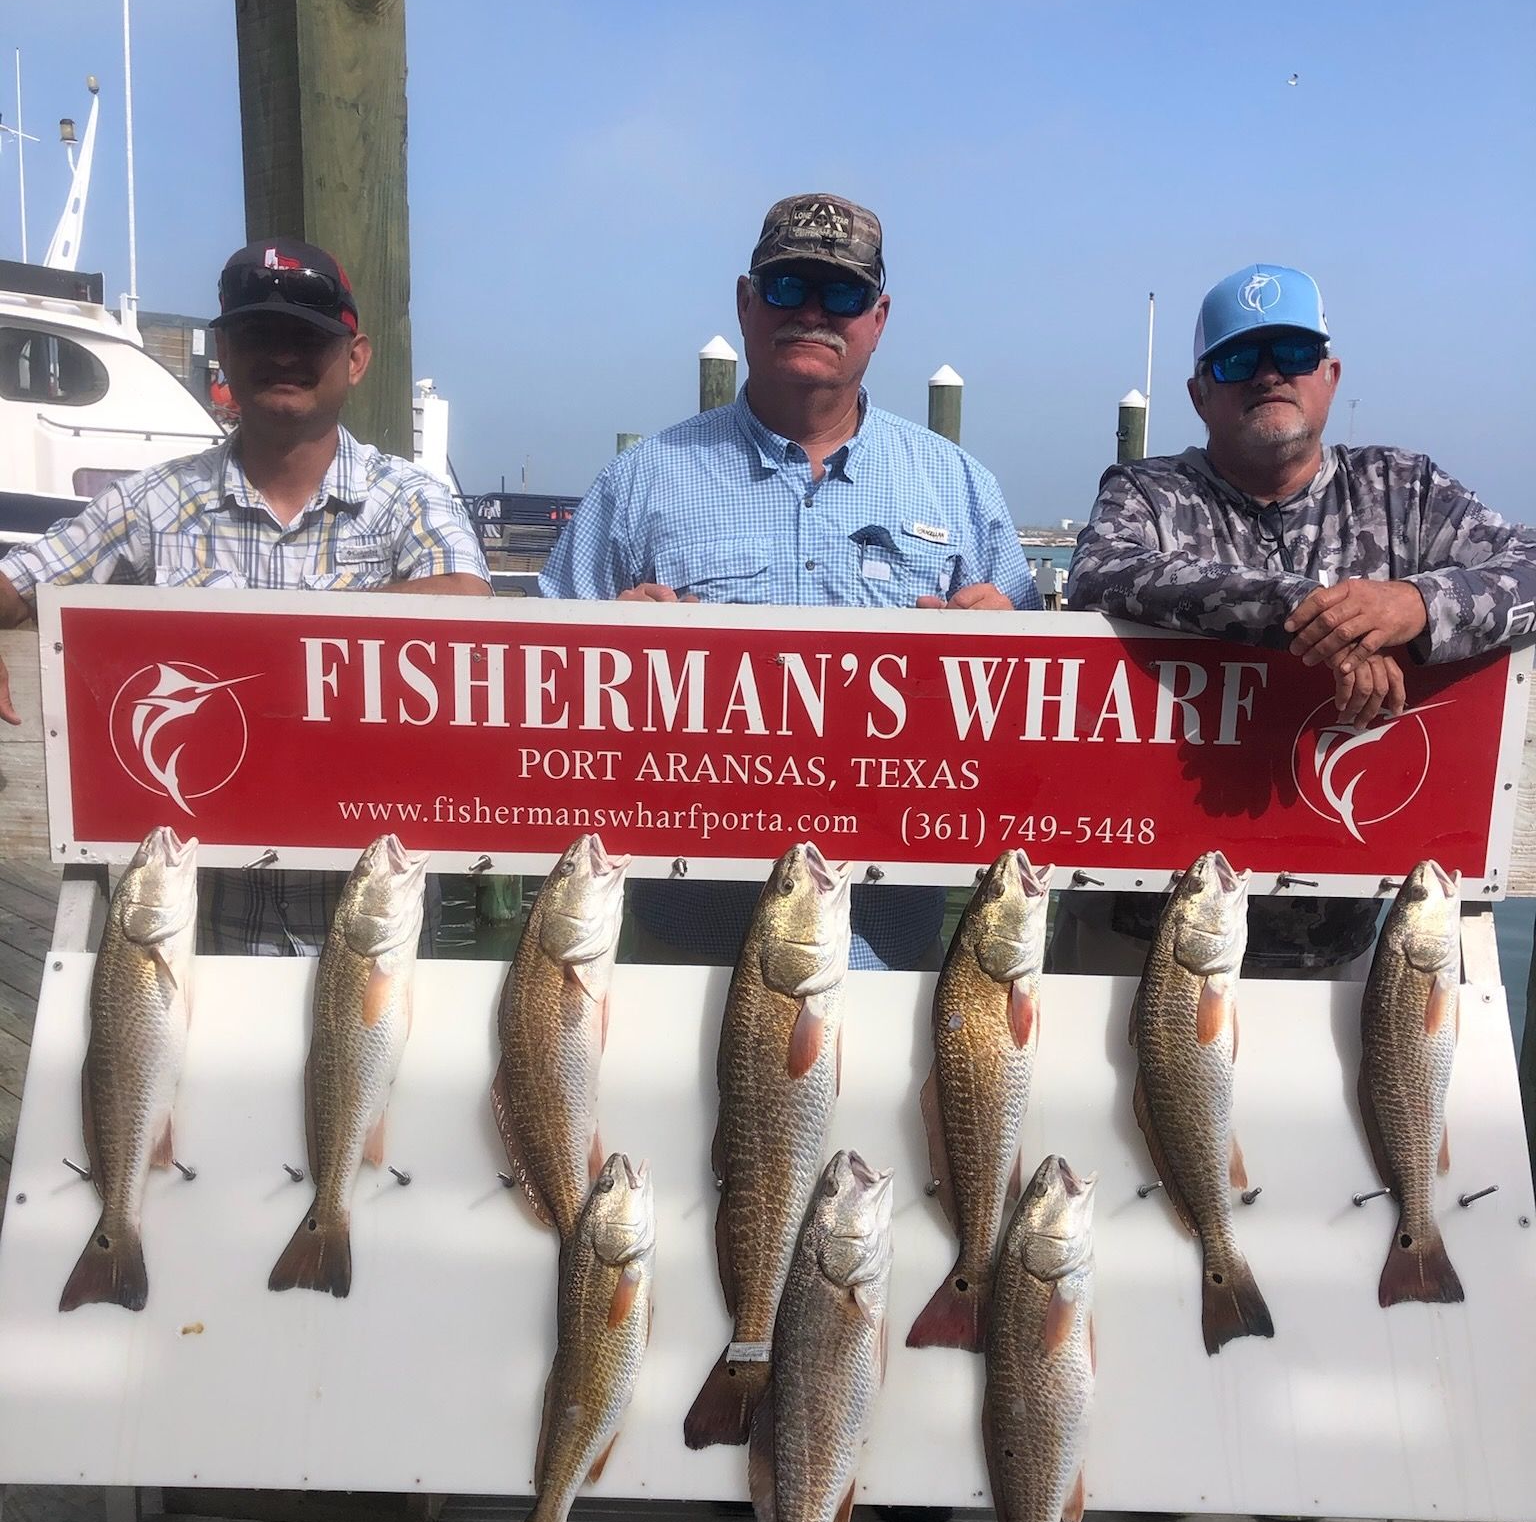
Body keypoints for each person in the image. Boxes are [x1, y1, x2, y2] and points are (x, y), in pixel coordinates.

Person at [540, 191, 1041, 969]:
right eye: (785, 288)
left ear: (878, 318)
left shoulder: (961, 487)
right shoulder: (639, 482)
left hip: (891, 948)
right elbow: (529, 694)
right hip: (689, 946)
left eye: (840, 293)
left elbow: (1043, 719)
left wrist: (1011, 641)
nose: (812, 312)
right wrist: (604, 643)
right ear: (746, 303)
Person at [0, 237, 492, 951]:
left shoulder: (408, 497)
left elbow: (467, 599)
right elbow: (17, 582)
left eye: (309, 338)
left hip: (368, 942)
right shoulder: (153, 500)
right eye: (261, 334)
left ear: (355, 358)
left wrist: (280, 640)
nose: (284, 354)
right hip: (188, 939)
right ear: (224, 351)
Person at [1058, 261, 1536, 974]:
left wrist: (1414, 605)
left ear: (1330, 376)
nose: (1268, 375)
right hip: (1138, 939)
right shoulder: (1146, 491)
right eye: (1238, 359)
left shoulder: (1404, 487)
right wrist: (1305, 612)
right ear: (1198, 393)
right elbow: (1103, 572)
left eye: (1293, 355)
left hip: (1340, 944)